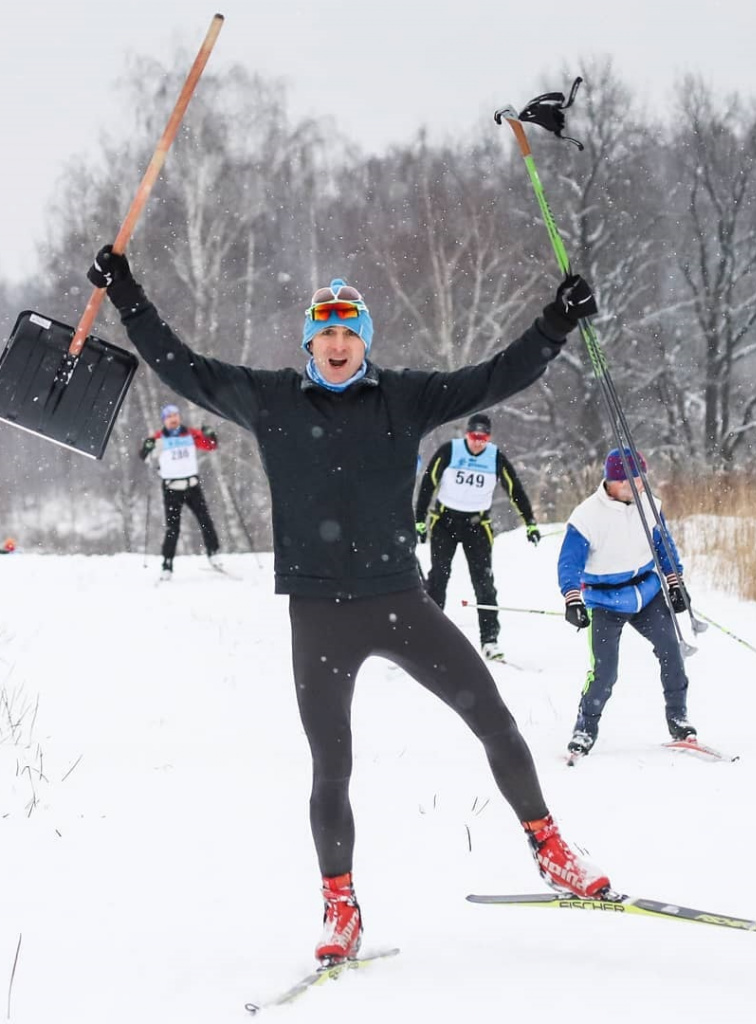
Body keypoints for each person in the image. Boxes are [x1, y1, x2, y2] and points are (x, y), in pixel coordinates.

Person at [87, 246, 610, 964]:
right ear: (310, 343)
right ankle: (341, 908)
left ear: (364, 339)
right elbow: (184, 367)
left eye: (349, 331)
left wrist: (555, 324)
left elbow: (495, 376)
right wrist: (128, 295)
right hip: (319, 614)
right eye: (325, 333)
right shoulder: (269, 399)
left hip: (400, 599)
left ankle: (551, 849)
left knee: (494, 719)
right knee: (331, 765)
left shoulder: (407, 397)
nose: (337, 344)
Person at [557, 447, 696, 759]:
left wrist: (675, 584)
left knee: (672, 652)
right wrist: (572, 598)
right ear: (614, 481)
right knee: (605, 672)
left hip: (646, 594)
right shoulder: (586, 516)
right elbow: (569, 563)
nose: (641, 485)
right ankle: (585, 729)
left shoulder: (648, 506)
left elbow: (665, 547)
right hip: (604, 600)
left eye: (642, 478)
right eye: (633, 480)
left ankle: (679, 721)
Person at [415, 412, 541, 661]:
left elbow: (515, 489)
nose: (477, 442)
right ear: (467, 434)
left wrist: (530, 522)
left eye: (483, 438)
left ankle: (490, 640)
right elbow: (428, 483)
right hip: (445, 522)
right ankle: (428, 637)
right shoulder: (450, 451)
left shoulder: (495, 458)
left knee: (484, 583)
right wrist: (420, 520)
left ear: (489, 438)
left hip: (477, 525)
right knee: (439, 579)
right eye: (474, 437)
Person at [139, 404, 221, 580]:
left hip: (191, 486)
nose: (173, 419)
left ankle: (213, 553)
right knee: (173, 528)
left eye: (175, 415)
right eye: (169, 417)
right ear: (164, 420)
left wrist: (210, 435)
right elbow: (144, 456)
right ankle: (167, 564)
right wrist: (147, 447)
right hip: (172, 489)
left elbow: (211, 445)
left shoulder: (190, 434)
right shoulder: (159, 439)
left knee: (205, 520)